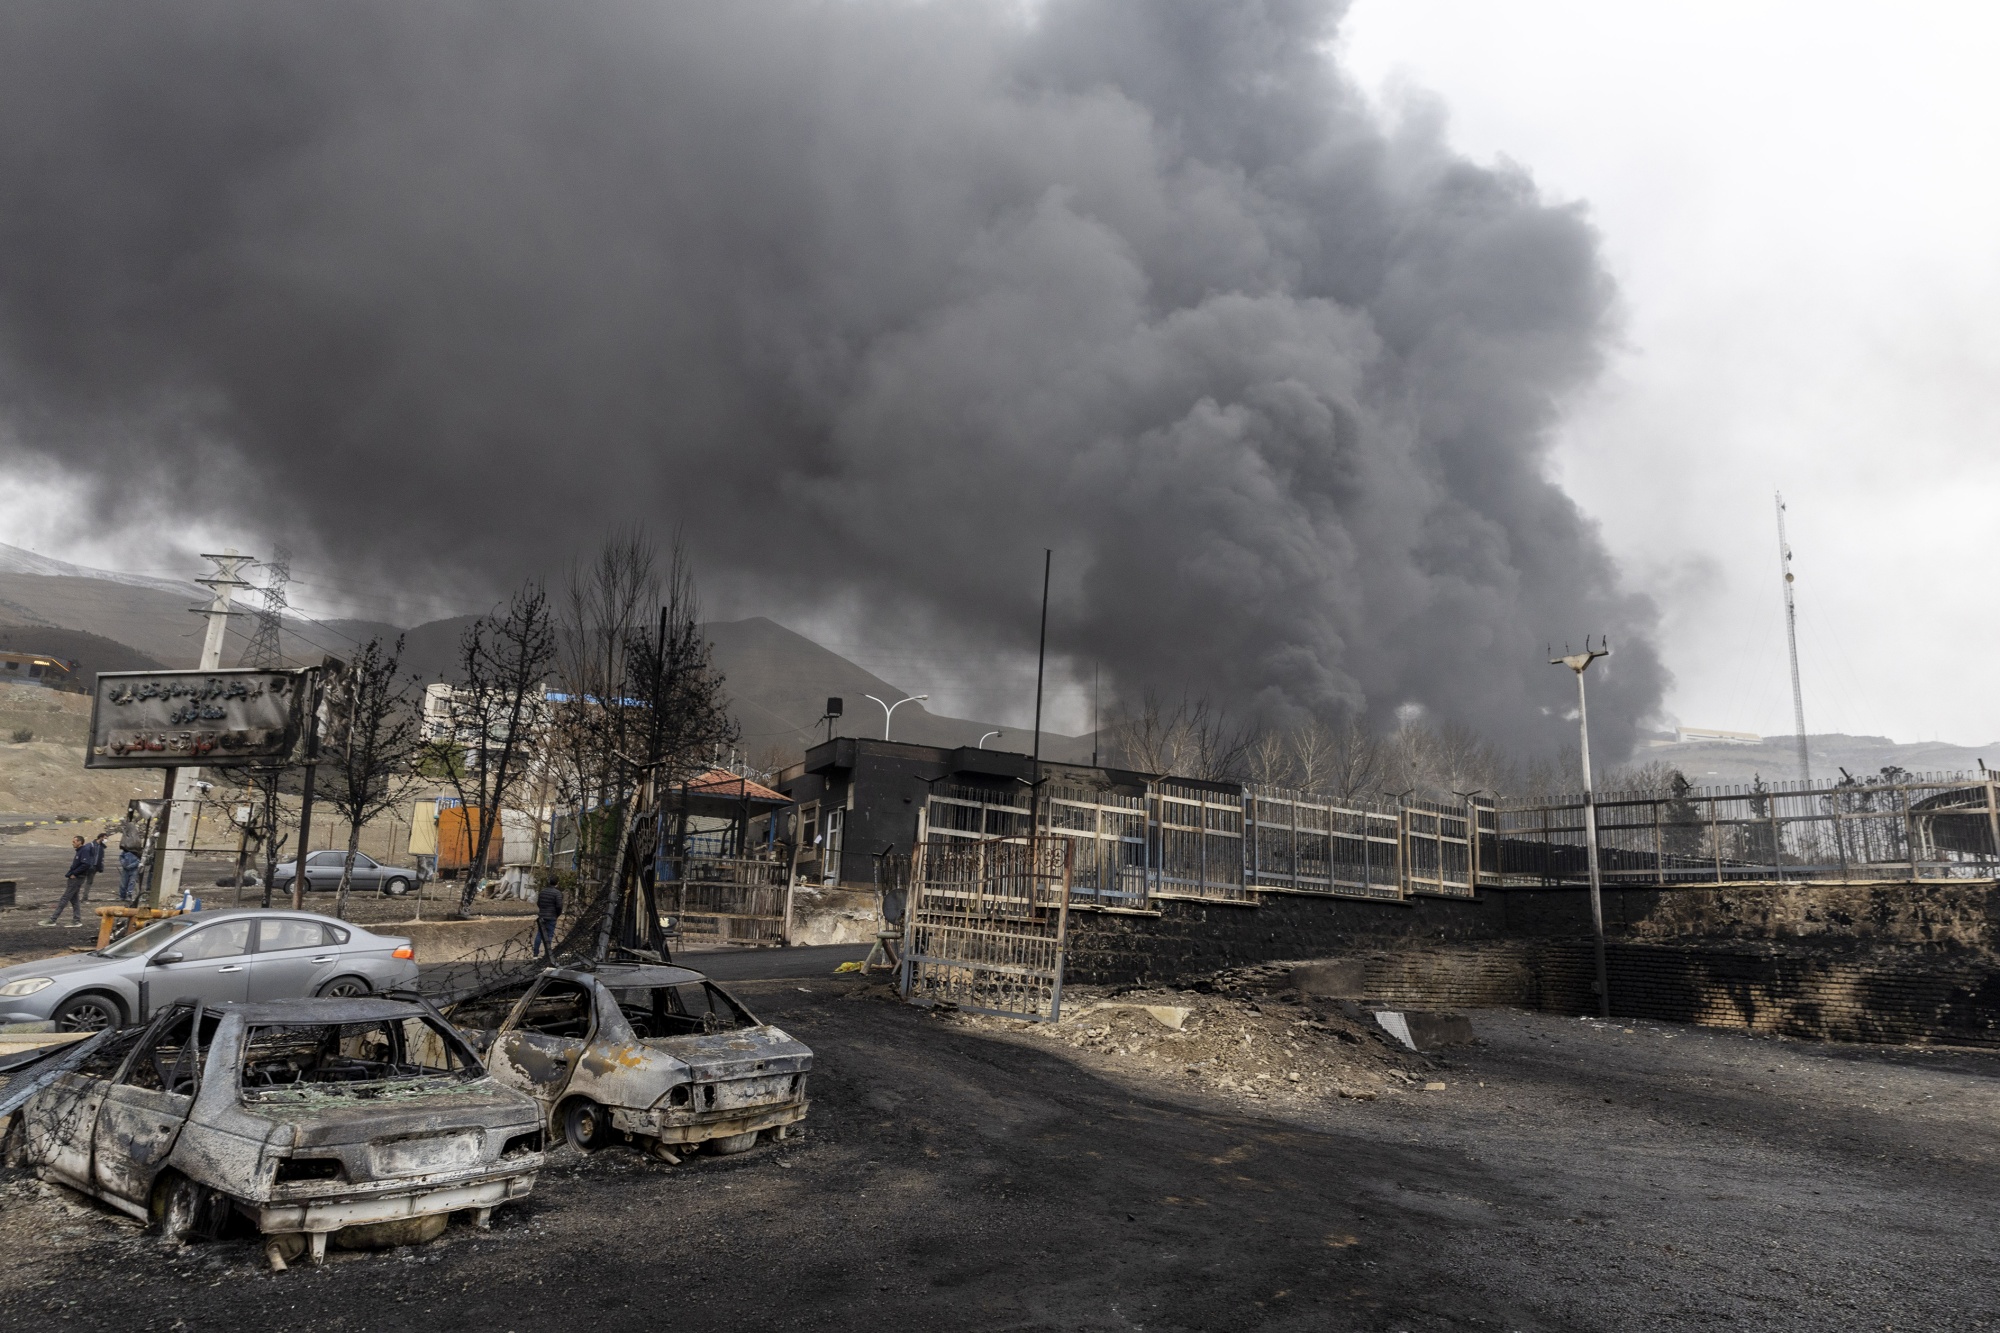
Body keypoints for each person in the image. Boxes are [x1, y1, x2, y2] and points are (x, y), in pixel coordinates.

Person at [47, 836, 93, 927]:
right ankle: (77, 920)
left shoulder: (84, 851)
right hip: (75, 877)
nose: (73, 843)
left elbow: (86, 864)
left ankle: (53, 919)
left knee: (65, 898)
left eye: (74, 841)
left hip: (77, 878)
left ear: (80, 842)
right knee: (74, 899)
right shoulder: (80, 851)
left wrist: (74, 873)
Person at [531, 877, 563, 958]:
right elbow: (559, 906)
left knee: (539, 934)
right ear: (557, 883)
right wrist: (557, 914)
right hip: (552, 916)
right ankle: (547, 954)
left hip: (542, 916)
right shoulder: (557, 893)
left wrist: (542, 910)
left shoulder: (543, 891)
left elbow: (538, 903)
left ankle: (535, 954)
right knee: (549, 935)